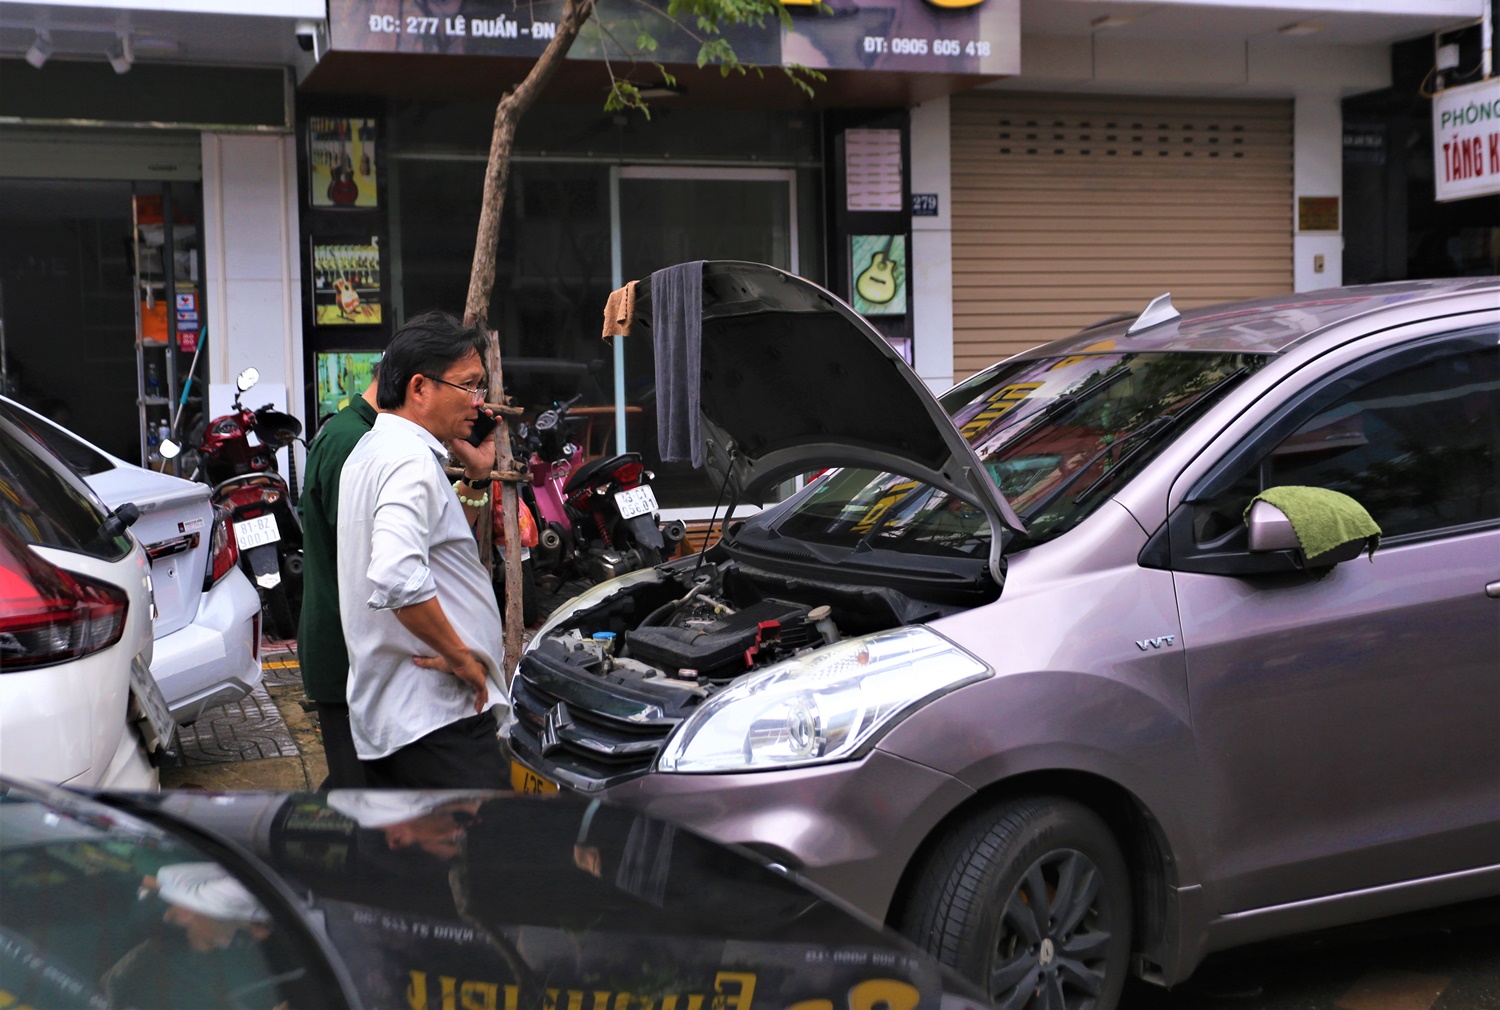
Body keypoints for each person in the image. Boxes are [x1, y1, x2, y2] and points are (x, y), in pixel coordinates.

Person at [337, 310, 507, 789]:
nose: (478, 403)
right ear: (419, 388)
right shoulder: (408, 461)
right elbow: (396, 575)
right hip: (436, 715)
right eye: (469, 385)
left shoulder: (373, 452)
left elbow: (437, 549)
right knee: (488, 854)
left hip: (402, 715)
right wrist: (460, 657)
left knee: (416, 861)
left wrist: (475, 478)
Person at [296, 374, 379, 789]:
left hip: (353, 647)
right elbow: (369, 557)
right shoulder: (354, 441)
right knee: (358, 795)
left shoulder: (358, 432)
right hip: (346, 647)